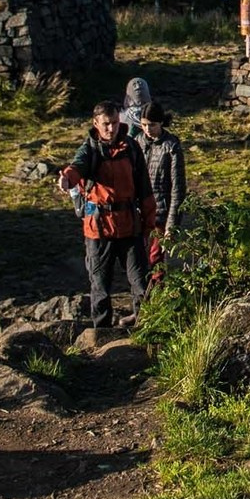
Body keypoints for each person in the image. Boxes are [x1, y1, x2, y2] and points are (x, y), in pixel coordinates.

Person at [59, 103, 157, 328]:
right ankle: (101, 334)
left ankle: (147, 327)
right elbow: (77, 168)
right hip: (98, 228)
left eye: (114, 123)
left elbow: (145, 189)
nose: (111, 128)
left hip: (130, 226)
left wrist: (150, 226)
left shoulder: (132, 148)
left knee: (141, 282)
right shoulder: (89, 150)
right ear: (96, 124)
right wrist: (67, 179)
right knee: (100, 286)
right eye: (106, 124)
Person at [127, 79, 188, 268]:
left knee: (155, 259)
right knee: (139, 258)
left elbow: (178, 188)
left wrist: (172, 225)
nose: (147, 129)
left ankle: (153, 294)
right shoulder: (137, 142)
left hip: (160, 212)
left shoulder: (171, 146)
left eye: (152, 125)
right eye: (144, 124)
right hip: (138, 211)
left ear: (161, 123)